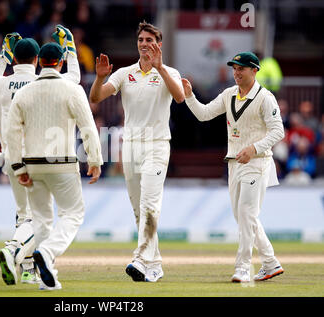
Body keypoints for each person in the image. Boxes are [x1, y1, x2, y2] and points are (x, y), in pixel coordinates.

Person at [89, 21, 185, 283]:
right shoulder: (124, 73)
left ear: (159, 44)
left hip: (157, 144)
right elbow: (96, 98)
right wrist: (99, 78)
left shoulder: (169, 72)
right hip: (130, 146)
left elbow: (179, 98)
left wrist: (161, 68)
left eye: (149, 40)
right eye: (141, 40)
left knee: (149, 205)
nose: (144, 44)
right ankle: (154, 264)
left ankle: (140, 258)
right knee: (138, 210)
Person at [0, 26, 81, 286]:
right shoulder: (41, 82)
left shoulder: (3, 83)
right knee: (38, 219)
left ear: (16, 58)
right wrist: (70, 48)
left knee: (24, 216)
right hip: (38, 157)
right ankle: (13, 250)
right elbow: (73, 78)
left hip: (11, 156)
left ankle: (29, 271)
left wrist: (4, 57)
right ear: (38, 59)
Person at [181, 51, 285, 283]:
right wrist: (189, 97)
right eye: (234, 68)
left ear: (254, 70)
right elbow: (204, 114)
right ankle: (270, 262)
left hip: (257, 163)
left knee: (247, 214)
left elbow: (278, 131)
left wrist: (254, 149)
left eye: (241, 68)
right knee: (244, 218)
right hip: (234, 163)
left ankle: (242, 267)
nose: (236, 72)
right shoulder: (229, 94)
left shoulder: (266, 97)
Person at [6, 42, 103, 290]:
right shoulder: (71, 89)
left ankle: (48, 281)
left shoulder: (25, 92)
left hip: (33, 165)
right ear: (60, 63)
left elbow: (12, 134)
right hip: (62, 164)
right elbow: (88, 127)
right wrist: (94, 160)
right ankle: (47, 253)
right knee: (73, 214)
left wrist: (18, 168)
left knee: (41, 221)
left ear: (39, 61)